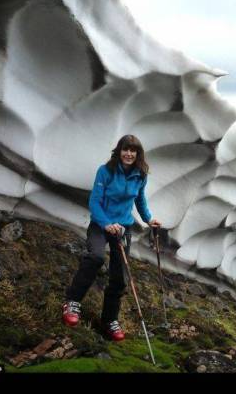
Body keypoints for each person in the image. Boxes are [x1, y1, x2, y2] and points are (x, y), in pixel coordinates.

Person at [62, 135, 161, 342]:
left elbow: (140, 200)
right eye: (125, 149)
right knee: (95, 257)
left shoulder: (140, 175)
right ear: (119, 151)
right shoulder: (105, 171)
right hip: (100, 225)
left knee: (120, 276)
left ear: (137, 154)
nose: (129, 154)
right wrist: (106, 223)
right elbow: (95, 202)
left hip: (123, 228)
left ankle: (109, 320)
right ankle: (72, 302)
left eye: (133, 150)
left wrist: (149, 219)